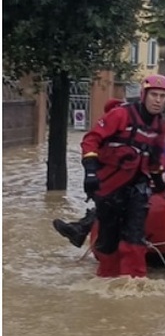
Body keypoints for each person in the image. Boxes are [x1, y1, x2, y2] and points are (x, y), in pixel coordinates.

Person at [77, 75, 165, 278]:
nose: (158, 100)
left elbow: (155, 161)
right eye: (154, 95)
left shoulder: (161, 127)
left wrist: (160, 186)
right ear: (144, 96)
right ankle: (107, 278)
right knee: (108, 241)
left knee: (135, 237)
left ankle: (135, 283)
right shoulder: (120, 115)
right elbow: (91, 140)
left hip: (138, 187)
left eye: (162, 96)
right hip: (109, 186)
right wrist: (90, 172)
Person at [52, 98, 126, 248]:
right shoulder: (109, 131)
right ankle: (81, 229)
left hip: (125, 181)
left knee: (108, 205)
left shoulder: (136, 130)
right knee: (104, 205)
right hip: (108, 179)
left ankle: (80, 229)